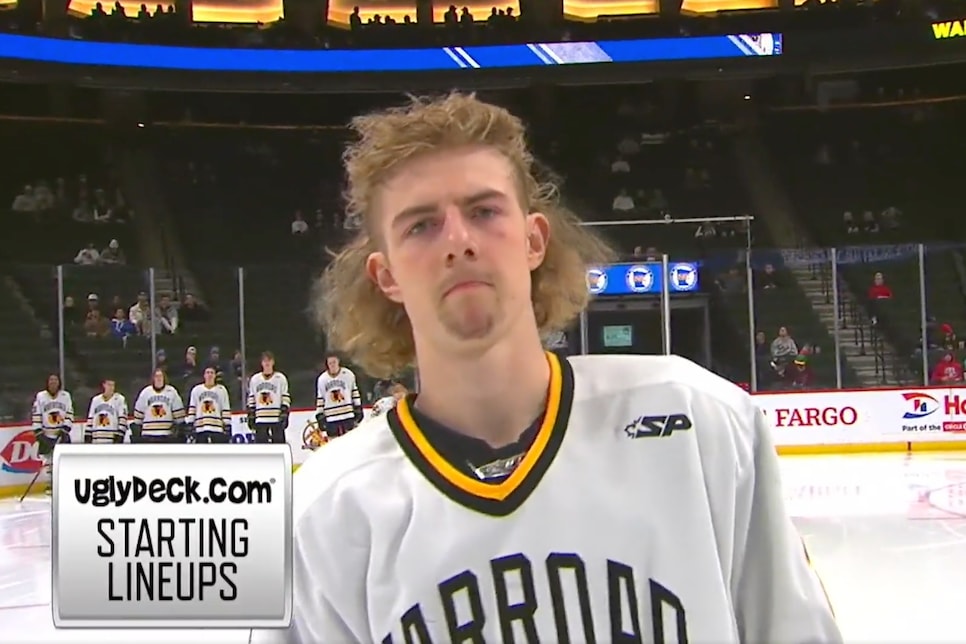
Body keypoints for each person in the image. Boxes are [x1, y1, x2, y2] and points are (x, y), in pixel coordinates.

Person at [251, 93, 840, 643]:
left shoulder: (697, 420)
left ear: (534, 241)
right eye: (421, 225)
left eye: (484, 211)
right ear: (386, 277)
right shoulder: (320, 517)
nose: (458, 241)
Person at [31, 374, 73, 495]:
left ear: (59, 383)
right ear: (47, 383)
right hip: (46, 434)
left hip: (61, 433)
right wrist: (38, 433)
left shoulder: (65, 396)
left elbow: (69, 413)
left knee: (63, 461)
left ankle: (64, 483)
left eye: (56, 381)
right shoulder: (41, 396)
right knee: (48, 462)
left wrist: (65, 429)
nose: (53, 383)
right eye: (51, 381)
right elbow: (36, 414)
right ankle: (50, 485)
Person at [131, 368, 186, 443]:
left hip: (166, 435)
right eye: (156, 376)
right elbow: (138, 417)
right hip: (148, 435)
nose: (158, 378)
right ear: (153, 378)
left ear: (164, 378)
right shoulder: (145, 392)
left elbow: (179, 417)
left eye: (161, 376)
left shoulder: (171, 392)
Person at [314, 352, 363, 438]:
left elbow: (354, 391)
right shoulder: (322, 379)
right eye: (330, 363)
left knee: (352, 440)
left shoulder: (348, 374)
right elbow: (320, 398)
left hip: (347, 415)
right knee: (333, 444)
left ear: (338, 362)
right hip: (331, 417)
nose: (332, 365)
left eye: (334, 362)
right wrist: (320, 414)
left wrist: (358, 407)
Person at [247, 351, 291, 444]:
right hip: (260, 419)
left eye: (269, 360)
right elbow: (252, 398)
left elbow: (285, 396)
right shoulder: (255, 379)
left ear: (273, 362)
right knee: (263, 449)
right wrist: (251, 414)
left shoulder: (280, 378)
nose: (267, 363)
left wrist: (284, 412)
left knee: (279, 447)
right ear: (261, 363)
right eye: (264, 361)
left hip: (276, 419)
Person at [187, 366, 232, 443]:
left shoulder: (221, 390)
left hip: (217, 428)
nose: (209, 375)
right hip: (201, 428)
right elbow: (193, 407)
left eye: (212, 373)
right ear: (204, 375)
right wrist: (190, 423)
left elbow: (225, 407)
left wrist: (227, 424)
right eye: (207, 373)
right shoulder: (196, 390)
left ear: (215, 375)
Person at [84, 378, 128, 444]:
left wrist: (120, 434)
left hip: (112, 437)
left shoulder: (119, 399)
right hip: (97, 437)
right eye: (109, 385)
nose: (111, 388)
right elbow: (90, 418)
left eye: (113, 385)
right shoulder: (96, 400)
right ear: (104, 385)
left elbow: (123, 418)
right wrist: (88, 434)